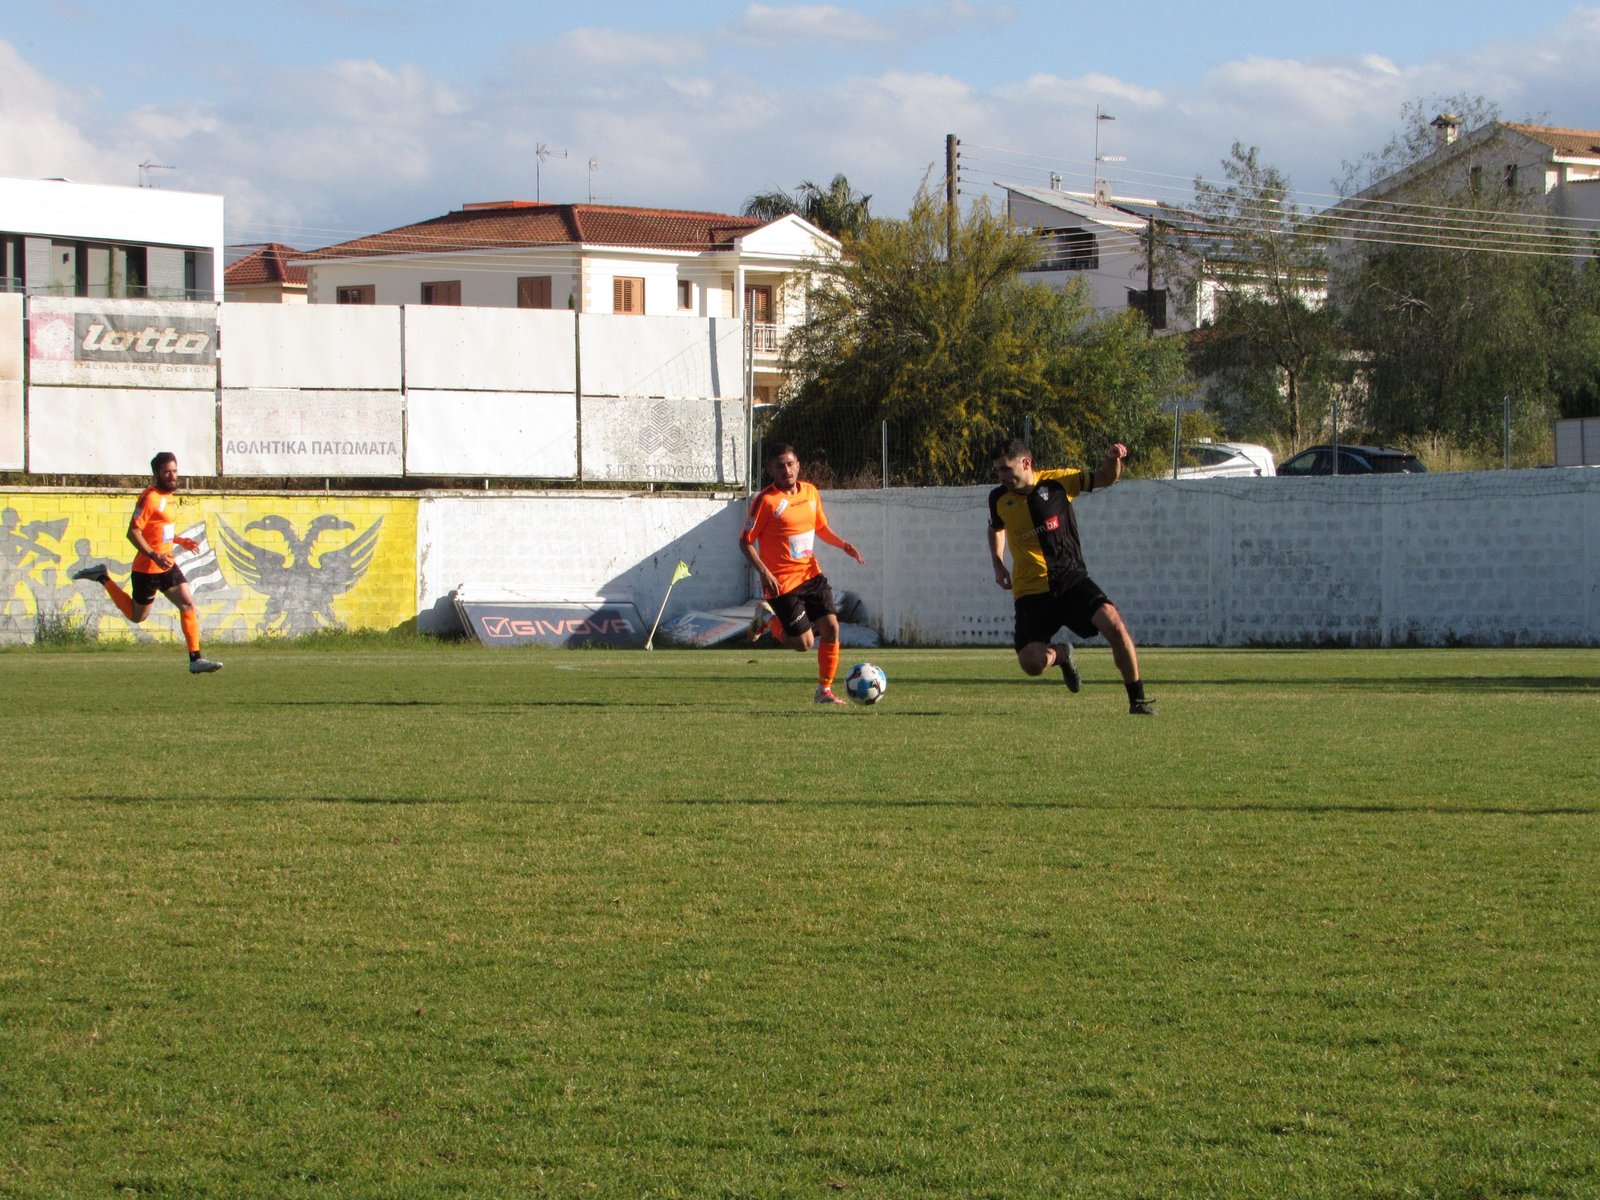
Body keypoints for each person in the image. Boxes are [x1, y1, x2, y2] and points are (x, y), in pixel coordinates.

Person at [987, 438, 1152, 715]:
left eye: (1006, 468)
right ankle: (1062, 654)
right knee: (1031, 664)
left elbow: (1106, 478)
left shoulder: (1058, 482)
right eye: (997, 470)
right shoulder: (999, 499)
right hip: (1030, 591)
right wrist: (998, 563)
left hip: (1070, 579)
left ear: (1026, 463)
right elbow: (995, 528)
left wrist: (1112, 459)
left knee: (1114, 624)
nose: (1001, 476)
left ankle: (1137, 700)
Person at [73, 451, 223, 674]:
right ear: (156, 473)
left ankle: (195, 658)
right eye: (167, 472)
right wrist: (153, 555)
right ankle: (103, 577)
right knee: (137, 616)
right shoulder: (150, 498)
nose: (172, 476)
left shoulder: (169, 497)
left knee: (187, 604)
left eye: (174, 471)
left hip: (167, 564)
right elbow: (133, 532)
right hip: (147, 569)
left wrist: (179, 540)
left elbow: (159, 530)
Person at [740, 443, 865, 705]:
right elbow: (745, 541)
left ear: (798, 465)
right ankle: (766, 618)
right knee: (804, 643)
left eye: (790, 464)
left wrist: (843, 544)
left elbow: (821, 527)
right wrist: (764, 572)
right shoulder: (766, 501)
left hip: (811, 574)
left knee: (831, 627)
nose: (786, 470)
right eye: (780, 466)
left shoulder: (810, 492)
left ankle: (824, 691)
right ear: (771, 470)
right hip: (782, 583)